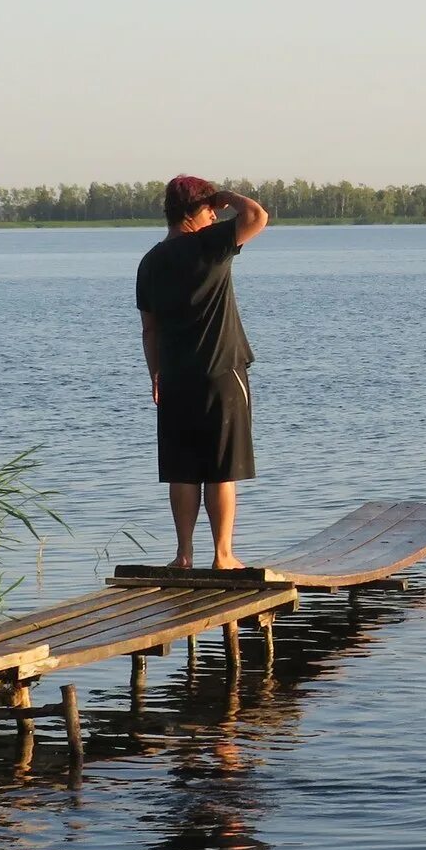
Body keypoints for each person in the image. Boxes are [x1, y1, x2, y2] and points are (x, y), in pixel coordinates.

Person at [135, 174, 270, 567]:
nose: (215, 215)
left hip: (175, 376)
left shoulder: (150, 262)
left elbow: (149, 329)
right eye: (209, 208)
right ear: (195, 211)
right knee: (220, 470)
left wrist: (155, 373)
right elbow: (258, 216)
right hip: (222, 373)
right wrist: (226, 196)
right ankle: (223, 554)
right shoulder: (210, 245)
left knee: (183, 470)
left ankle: (183, 554)